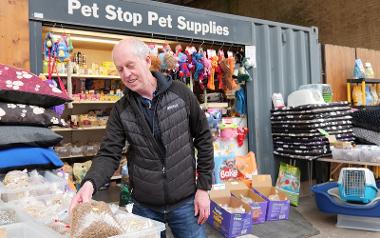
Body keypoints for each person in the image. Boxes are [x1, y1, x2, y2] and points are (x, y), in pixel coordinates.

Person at [69, 37, 214, 238]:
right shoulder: (121, 110)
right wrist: (89, 184)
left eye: (130, 65)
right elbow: (109, 153)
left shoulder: (180, 93)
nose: (126, 74)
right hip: (145, 207)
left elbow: (204, 138)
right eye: (120, 69)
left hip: (186, 202)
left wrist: (204, 188)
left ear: (146, 61)